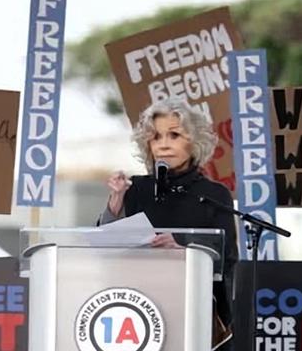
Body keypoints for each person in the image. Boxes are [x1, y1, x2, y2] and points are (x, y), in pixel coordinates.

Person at [98, 97, 237, 350]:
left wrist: (183, 246)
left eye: (174, 135)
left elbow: (227, 257)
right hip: (137, 308)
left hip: (194, 308)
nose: (163, 145)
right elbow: (105, 246)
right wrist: (116, 202)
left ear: (194, 141)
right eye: (156, 137)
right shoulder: (135, 188)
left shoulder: (214, 193)